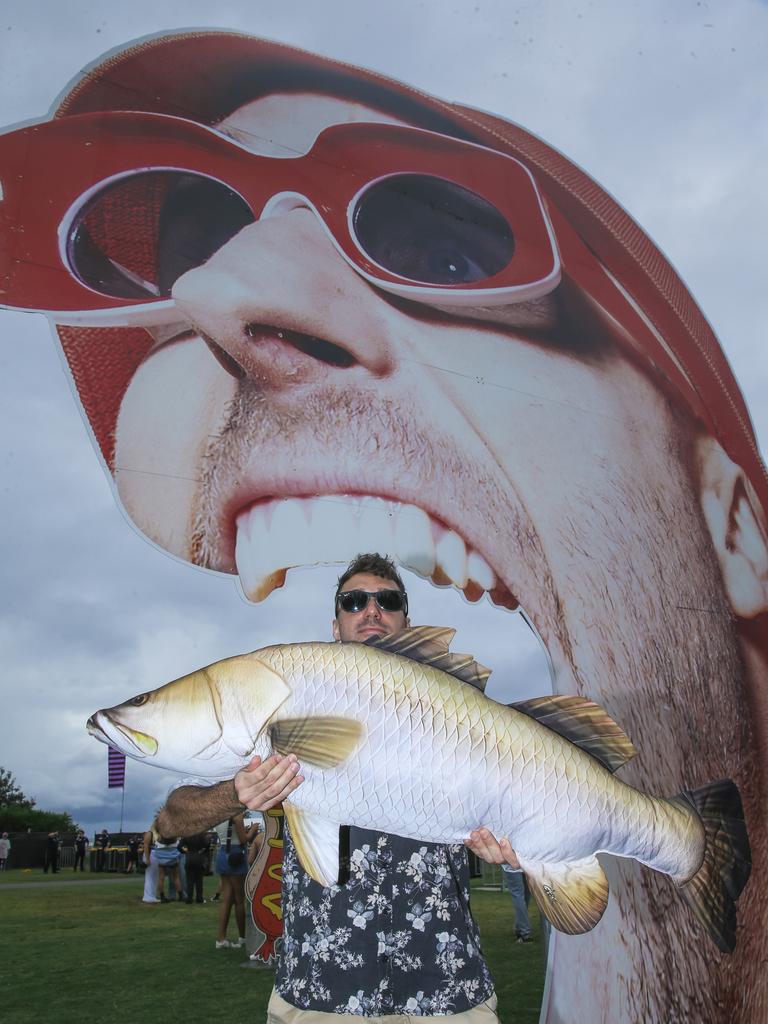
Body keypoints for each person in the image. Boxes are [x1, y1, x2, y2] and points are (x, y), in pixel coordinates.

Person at [3, 29, 766, 1023]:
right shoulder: (276, 733)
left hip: (450, 1001)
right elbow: (172, 817)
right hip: (311, 1002)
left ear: (737, 522)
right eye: (199, 247)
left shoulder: (358, 699)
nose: (225, 297)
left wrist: (532, 851)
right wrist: (242, 792)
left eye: (446, 249)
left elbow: (572, 907)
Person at [159, 554, 498, 1018]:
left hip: (446, 987)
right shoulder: (275, 703)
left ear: (406, 620)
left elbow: (511, 806)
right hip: (321, 991)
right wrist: (237, 793)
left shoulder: (460, 714)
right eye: (354, 601)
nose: (371, 610)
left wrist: (507, 845)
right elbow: (174, 816)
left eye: (388, 600)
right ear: (335, 626)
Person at [213, 813, 249, 949]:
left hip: (223, 852)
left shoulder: (219, 815)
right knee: (239, 899)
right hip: (236, 855)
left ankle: (221, 939)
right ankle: (242, 937)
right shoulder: (237, 815)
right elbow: (243, 839)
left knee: (226, 898)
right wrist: (252, 830)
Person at [500, 864, 532, 944]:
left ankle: (523, 931)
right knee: (524, 896)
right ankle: (522, 930)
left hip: (513, 865)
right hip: (526, 862)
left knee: (519, 895)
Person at [180, 831, 210, 904]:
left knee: (189, 880)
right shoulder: (201, 835)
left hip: (189, 857)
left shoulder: (186, 835)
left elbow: (179, 847)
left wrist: (185, 851)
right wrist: (202, 851)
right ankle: (199, 898)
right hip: (199, 857)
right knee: (199, 880)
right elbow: (207, 845)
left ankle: (189, 898)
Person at [141, 826, 160, 904]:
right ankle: (148, 896)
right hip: (150, 854)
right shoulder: (150, 834)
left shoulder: (158, 834)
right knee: (150, 876)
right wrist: (147, 859)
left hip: (156, 855)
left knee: (154, 877)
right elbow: (146, 846)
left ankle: (152, 895)